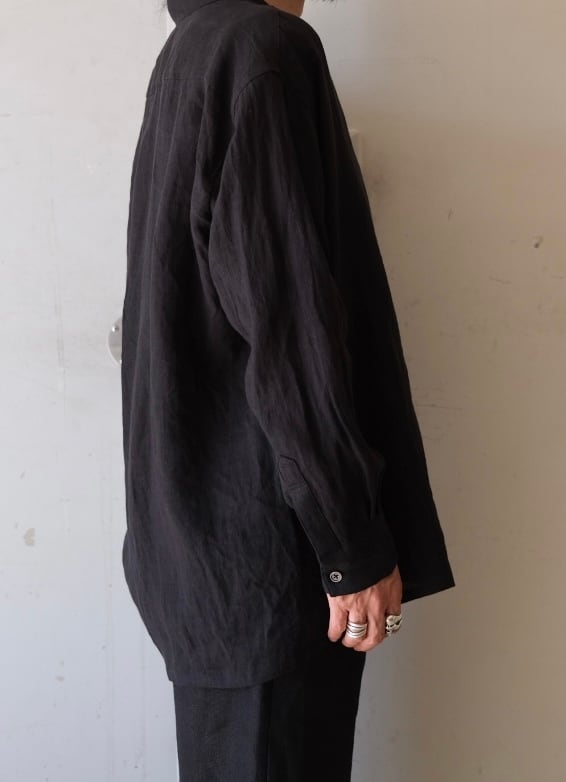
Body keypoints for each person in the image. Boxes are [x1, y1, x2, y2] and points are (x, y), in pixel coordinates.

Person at [119, 0, 455, 778]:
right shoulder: (260, 50)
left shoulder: (190, 55)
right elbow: (288, 326)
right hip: (273, 553)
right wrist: (349, 544)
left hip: (206, 551)